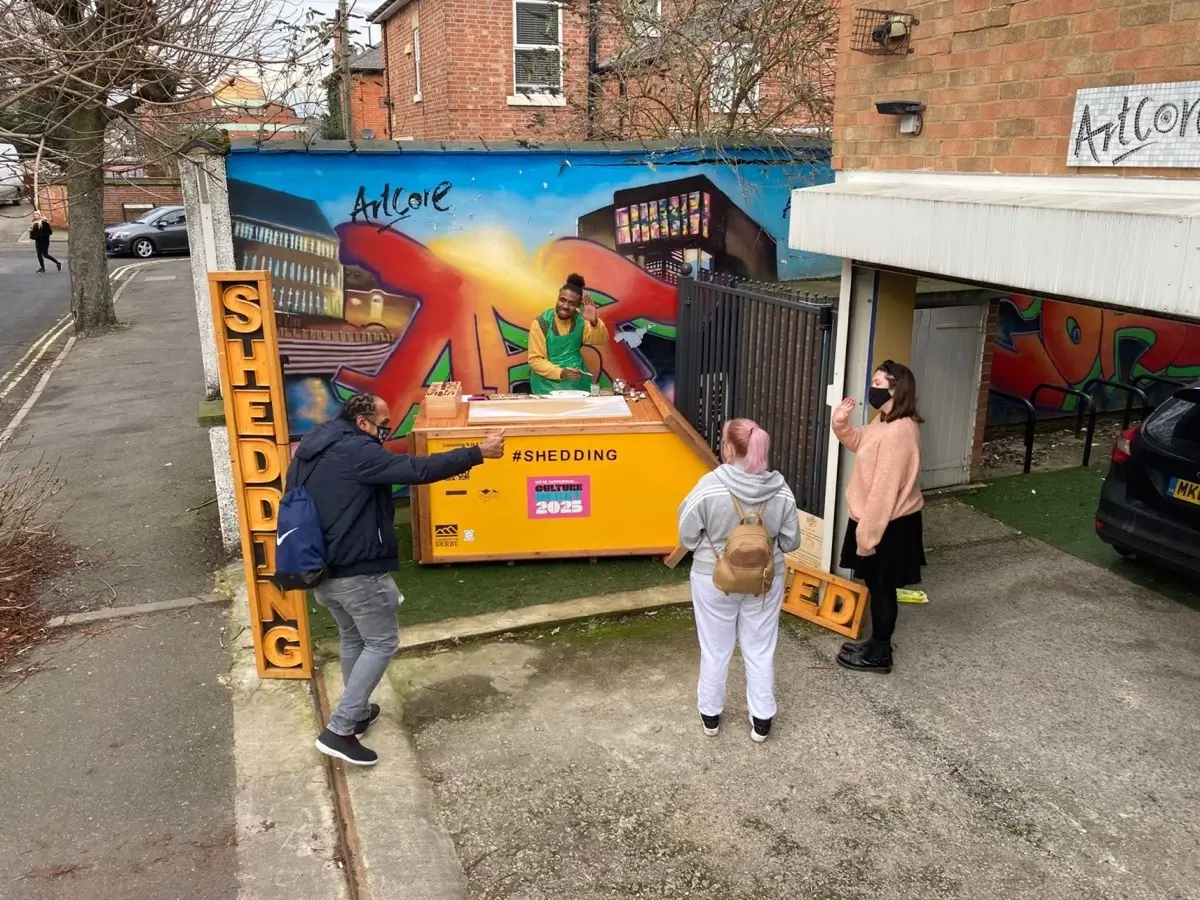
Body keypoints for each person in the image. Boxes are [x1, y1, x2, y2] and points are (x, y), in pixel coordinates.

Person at [288, 391, 505, 766]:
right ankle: (339, 730)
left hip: (321, 569)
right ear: (362, 423)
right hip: (356, 570)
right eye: (383, 428)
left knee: (353, 637)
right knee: (382, 642)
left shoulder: (313, 447)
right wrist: (478, 453)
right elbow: (417, 471)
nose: (385, 434)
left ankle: (354, 714)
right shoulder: (358, 452)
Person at [678, 419, 801, 743]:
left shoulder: (708, 487)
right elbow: (791, 542)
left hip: (713, 578)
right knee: (760, 649)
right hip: (764, 581)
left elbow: (687, 537)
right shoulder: (782, 491)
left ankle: (711, 716)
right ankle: (761, 720)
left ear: (729, 447)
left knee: (715, 649)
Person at [831, 359, 926, 675]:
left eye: (878, 382)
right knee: (876, 585)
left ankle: (879, 654)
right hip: (876, 519)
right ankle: (875, 645)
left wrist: (867, 538)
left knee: (883, 588)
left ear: (896, 389)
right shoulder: (884, 420)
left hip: (888, 524)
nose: (871, 388)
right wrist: (841, 425)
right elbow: (861, 443)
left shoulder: (900, 431)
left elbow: (884, 492)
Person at [527, 273, 608, 394]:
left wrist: (594, 321)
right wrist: (561, 372)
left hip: (576, 385)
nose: (565, 306)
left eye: (571, 303)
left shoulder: (581, 321)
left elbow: (600, 339)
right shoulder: (541, 323)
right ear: (558, 298)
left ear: (578, 305)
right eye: (562, 300)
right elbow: (535, 360)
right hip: (546, 386)